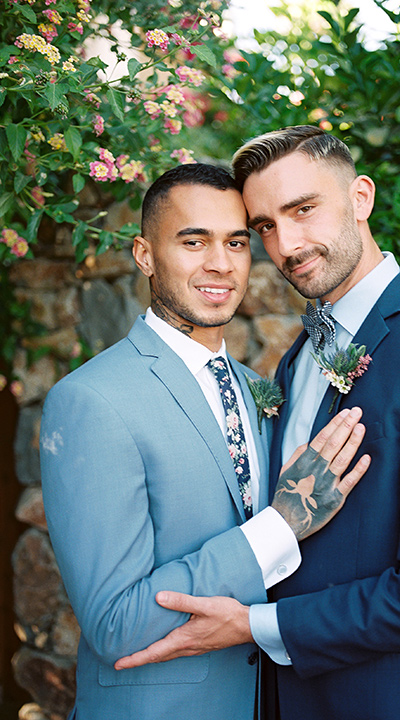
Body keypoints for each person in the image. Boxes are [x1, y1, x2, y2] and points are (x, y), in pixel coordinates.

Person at [115, 128, 400, 720]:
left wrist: (253, 625)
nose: (286, 244)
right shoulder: (296, 356)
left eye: (303, 210)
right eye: (264, 226)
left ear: (360, 198)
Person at [40, 162, 370, 720]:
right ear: (145, 254)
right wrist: (278, 527)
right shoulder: (90, 401)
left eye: (236, 243)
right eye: (194, 242)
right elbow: (115, 624)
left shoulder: (260, 389)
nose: (220, 264)